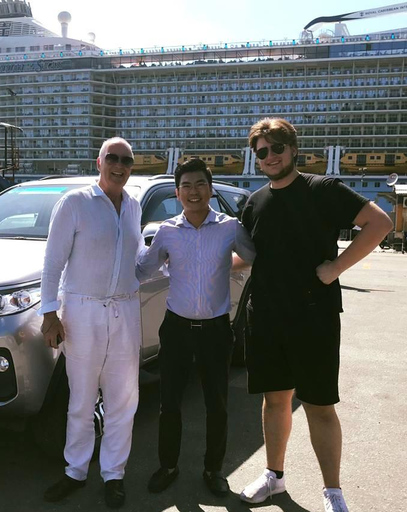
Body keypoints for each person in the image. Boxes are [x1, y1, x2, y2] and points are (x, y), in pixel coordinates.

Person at [238, 118, 392, 512]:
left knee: (320, 406)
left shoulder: (322, 189)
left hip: (313, 315)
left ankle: (333, 492)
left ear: (292, 150)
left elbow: (379, 223)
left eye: (276, 148)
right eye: (262, 152)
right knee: (275, 401)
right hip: (267, 316)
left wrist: (335, 268)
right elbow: (248, 256)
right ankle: (274, 477)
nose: (269, 157)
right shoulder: (254, 203)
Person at [136, 158, 256, 497]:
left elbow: (251, 255)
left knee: (216, 404)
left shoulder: (229, 227)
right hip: (176, 329)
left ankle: (213, 469)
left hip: (216, 329)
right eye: (186, 185)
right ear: (177, 192)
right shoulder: (166, 231)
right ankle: (168, 466)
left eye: (199, 184)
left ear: (210, 188)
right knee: (169, 402)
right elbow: (143, 269)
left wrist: (225, 264)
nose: (193, 191)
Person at [40, 137, 142, 509]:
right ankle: (75, 471)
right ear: (99, 161)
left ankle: (114, 474)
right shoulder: (75, 203)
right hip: (82, 312)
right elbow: (53, 263)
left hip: (125, 312)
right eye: (112, 158)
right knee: (81, 399)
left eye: (126, 160)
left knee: (123, 400)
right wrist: (49, 314)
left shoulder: (133, 206)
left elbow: (134, 259)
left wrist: (166, 253)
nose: (119, 165)